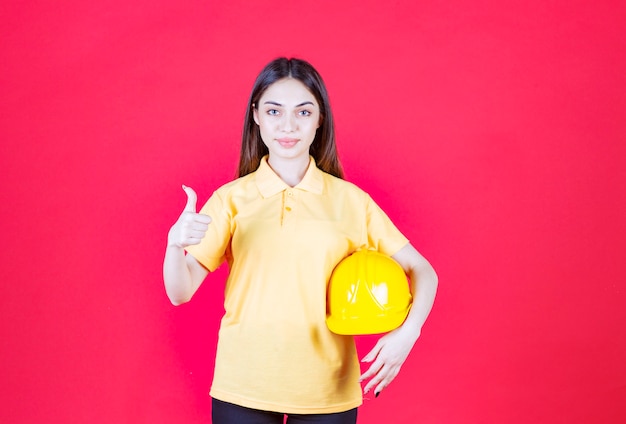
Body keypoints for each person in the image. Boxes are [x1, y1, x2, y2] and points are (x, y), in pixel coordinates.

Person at [163, 57, 438, 424]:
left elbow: (423, 270)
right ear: (256, 115)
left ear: (320, 118)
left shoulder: (350, 201)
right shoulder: (231, 199)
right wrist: (174, 246)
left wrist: (407, 335)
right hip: (243, 385)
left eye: (303, 112)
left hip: (328, 391)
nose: (288, 126)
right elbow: (180, 292)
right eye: (274, 111)